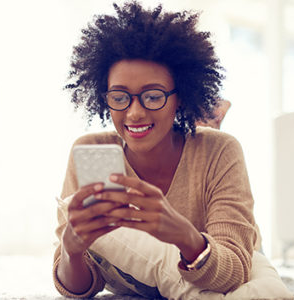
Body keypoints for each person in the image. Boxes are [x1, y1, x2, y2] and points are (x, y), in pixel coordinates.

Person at [53, 1, 259, 298]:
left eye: (152, 96)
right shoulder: (90, 150)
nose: (134, 113)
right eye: (120, 97)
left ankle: (210, 120)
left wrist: (187, 237)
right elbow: (79, 290)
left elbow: (235, 272)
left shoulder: (220, 151)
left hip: (233, 236)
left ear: (181, 97)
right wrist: (71, 252)